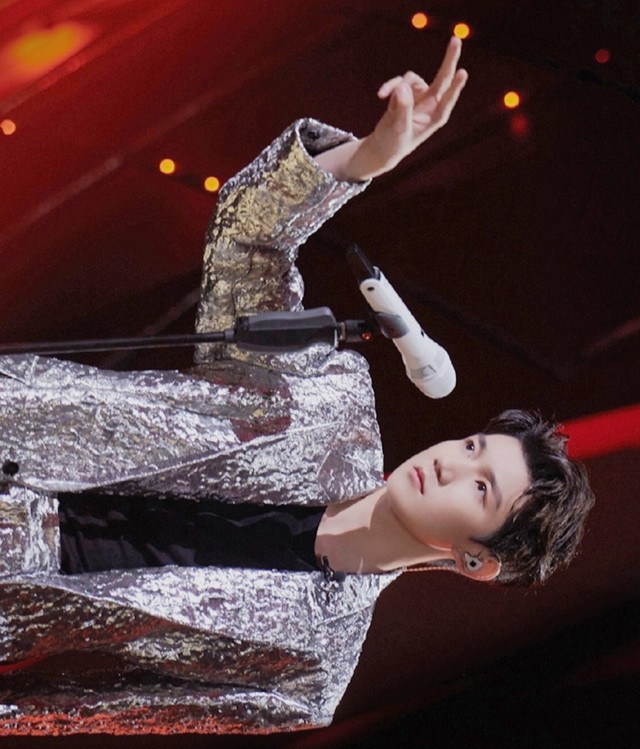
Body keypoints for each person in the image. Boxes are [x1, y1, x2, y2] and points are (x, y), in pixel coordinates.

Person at [0, 38, 594, 736]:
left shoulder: (313, 670)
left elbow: (78, 711)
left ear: (476, 560)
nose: (451, 464)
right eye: (472, 447)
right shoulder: (326, 401)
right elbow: (249, 237)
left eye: (482, 488)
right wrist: (367, 158)